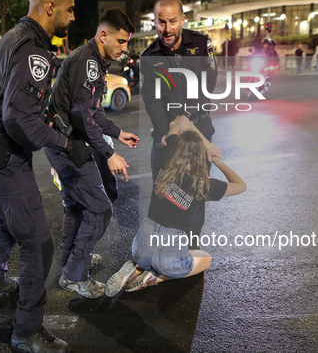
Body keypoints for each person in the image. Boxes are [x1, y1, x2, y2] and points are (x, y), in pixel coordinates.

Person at [0, 0, 84, 353]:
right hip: (6, 159)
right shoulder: (35, 51)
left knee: (6, 223)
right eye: (69, 9)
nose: (72, 16)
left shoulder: (12, 38)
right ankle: (27, 331)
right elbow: (20, 119)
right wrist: (64, 142)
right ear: (49, 7)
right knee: (38, 244)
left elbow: (15, 106)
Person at [45, 8, 139, 298]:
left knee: (75, 206)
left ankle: (71, 262)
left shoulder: (93, 59)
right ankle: (75, 274)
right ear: (103, 35)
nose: (125, 49)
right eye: (121, 42)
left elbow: (94, 111)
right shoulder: (88, 61)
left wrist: (116, 132)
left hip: (62, 143)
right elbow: (81, 113)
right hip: (68, 146)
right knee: (99, 208)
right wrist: (108, 154)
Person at [105, 115, 246, 296]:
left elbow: (176, 125)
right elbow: (241, 185)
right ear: (200, 155)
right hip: (168, 255)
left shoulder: (168, 157)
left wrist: (179, 126)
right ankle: (156, 278)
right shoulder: (203, 184)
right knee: (206, 259)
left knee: (148, 253)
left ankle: (137, 267)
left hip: (141, 246)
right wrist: (215, 158)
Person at [140, 0, 218, 238]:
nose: (167, 29)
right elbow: (151, 100)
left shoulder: (201, 43)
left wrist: (188, 115)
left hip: (198, 131)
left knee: (195, 192)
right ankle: (164, 246)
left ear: (183, 19)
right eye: (161, 22)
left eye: (172, 21)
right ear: (154, 22)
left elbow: (210, 81)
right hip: (166, 136)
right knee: (163, 192)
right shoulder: (148, 56)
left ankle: (191, 246)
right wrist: (167, 131)